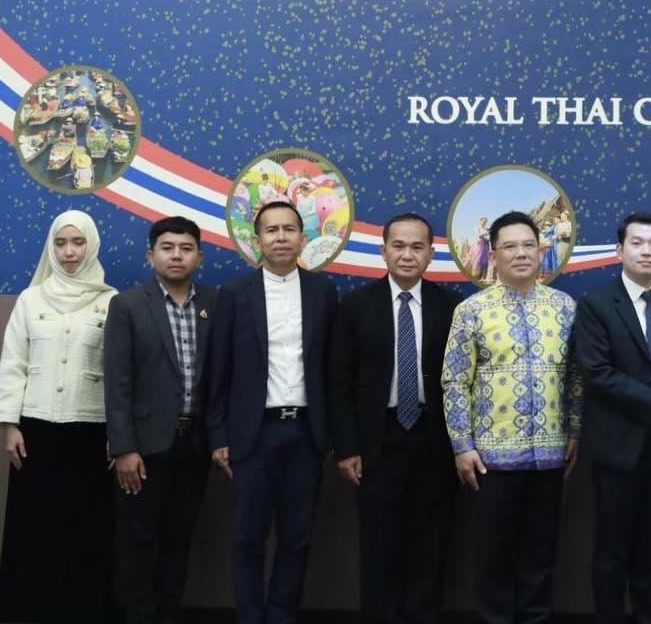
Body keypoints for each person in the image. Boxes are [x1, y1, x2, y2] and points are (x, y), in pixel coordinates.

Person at [205, 199, 340, 624]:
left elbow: (332, 369)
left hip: (305, 435)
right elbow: (218, 370)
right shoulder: (234, 294)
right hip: (253, 435)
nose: (281, 237)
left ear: (303, 237)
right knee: (248, 538)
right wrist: (218, 435)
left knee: (297, 539)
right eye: (271, 230)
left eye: (289, 229)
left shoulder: (323, 292)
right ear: (257, 239)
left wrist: (332, 435)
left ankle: (281, 616)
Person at [443, 211, 582, 624]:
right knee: (494, 556)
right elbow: (455, 381)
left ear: (540, 250)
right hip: (492, 459)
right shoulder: (472, 310)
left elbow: (577, 377)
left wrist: (575, 429)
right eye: (510, 246)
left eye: (528, 245)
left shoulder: (565, 308)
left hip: (551, 455)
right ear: (494, 253)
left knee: (541, 554)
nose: (520, 253)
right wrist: (462, 446)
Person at [329, 212, 461, 624]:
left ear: (431, 254)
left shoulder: (451, 306)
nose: (407, 255)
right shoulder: (355, 306)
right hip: (377, 441)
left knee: (430, 545)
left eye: (417, 247)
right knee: (379, 544)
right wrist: (346, 447)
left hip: (433, 439)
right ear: (383, 250)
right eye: (398, 246)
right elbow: (339, 382)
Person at [572, 211, 651, 624]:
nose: (646, 251)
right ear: (619, 250)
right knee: (613, 547)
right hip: (618, 445)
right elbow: (598, 374)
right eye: (637, 243)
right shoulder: (596, 305)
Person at [0, 209, 119, 622]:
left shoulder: (111, 301)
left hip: (91, 432)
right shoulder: (31, 299)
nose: (69, 252)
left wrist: (118, 435)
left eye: (78, 242)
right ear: (51, 247)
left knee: (85, 528)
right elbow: (13, 363)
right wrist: (9, 424)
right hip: (36, 432)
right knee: (35, 528)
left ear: (92, 245)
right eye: (61, 243)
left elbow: (119, 374)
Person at [104, 215, 217, 624]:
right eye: (167, 248)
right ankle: (137, 615)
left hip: (196, 444)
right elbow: (117, 382)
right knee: (138, 538)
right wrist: (124, 448)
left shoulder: (215, 304)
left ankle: (169, 613)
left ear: (199, 257)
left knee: (179, 536)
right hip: (143, 447)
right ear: (150, 255)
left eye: (186, 249)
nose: (176, 256)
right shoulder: (128, 305)